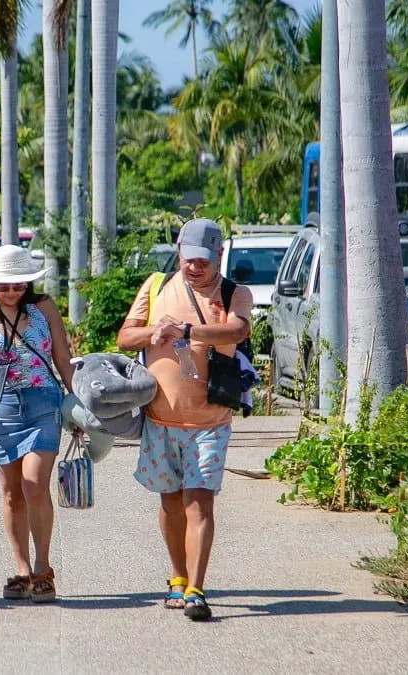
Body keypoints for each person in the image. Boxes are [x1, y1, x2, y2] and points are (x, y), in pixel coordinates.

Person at [115, 218, 253, 622]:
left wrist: (189, 329)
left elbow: (237, 331)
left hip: (209, 420)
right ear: (178, 253)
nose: (196, 268)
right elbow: (125, 337)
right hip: (160, 419)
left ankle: (196, 588)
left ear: (219, 258)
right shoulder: (157, 286)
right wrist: (154, 333)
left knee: (199, 503)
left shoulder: (233, 293)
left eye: (204, 262)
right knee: (171, 503)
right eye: (190, 259)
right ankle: (176, 575)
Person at [0, 245, 76, 604]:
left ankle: (43, 566)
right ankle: (21, 568)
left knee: (34, 484)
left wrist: (78, 402)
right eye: (3, 286)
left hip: (42, 402)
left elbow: (63, 358)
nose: (11, 291)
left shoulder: (44, 307)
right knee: (11, 492)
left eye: (17, 284)